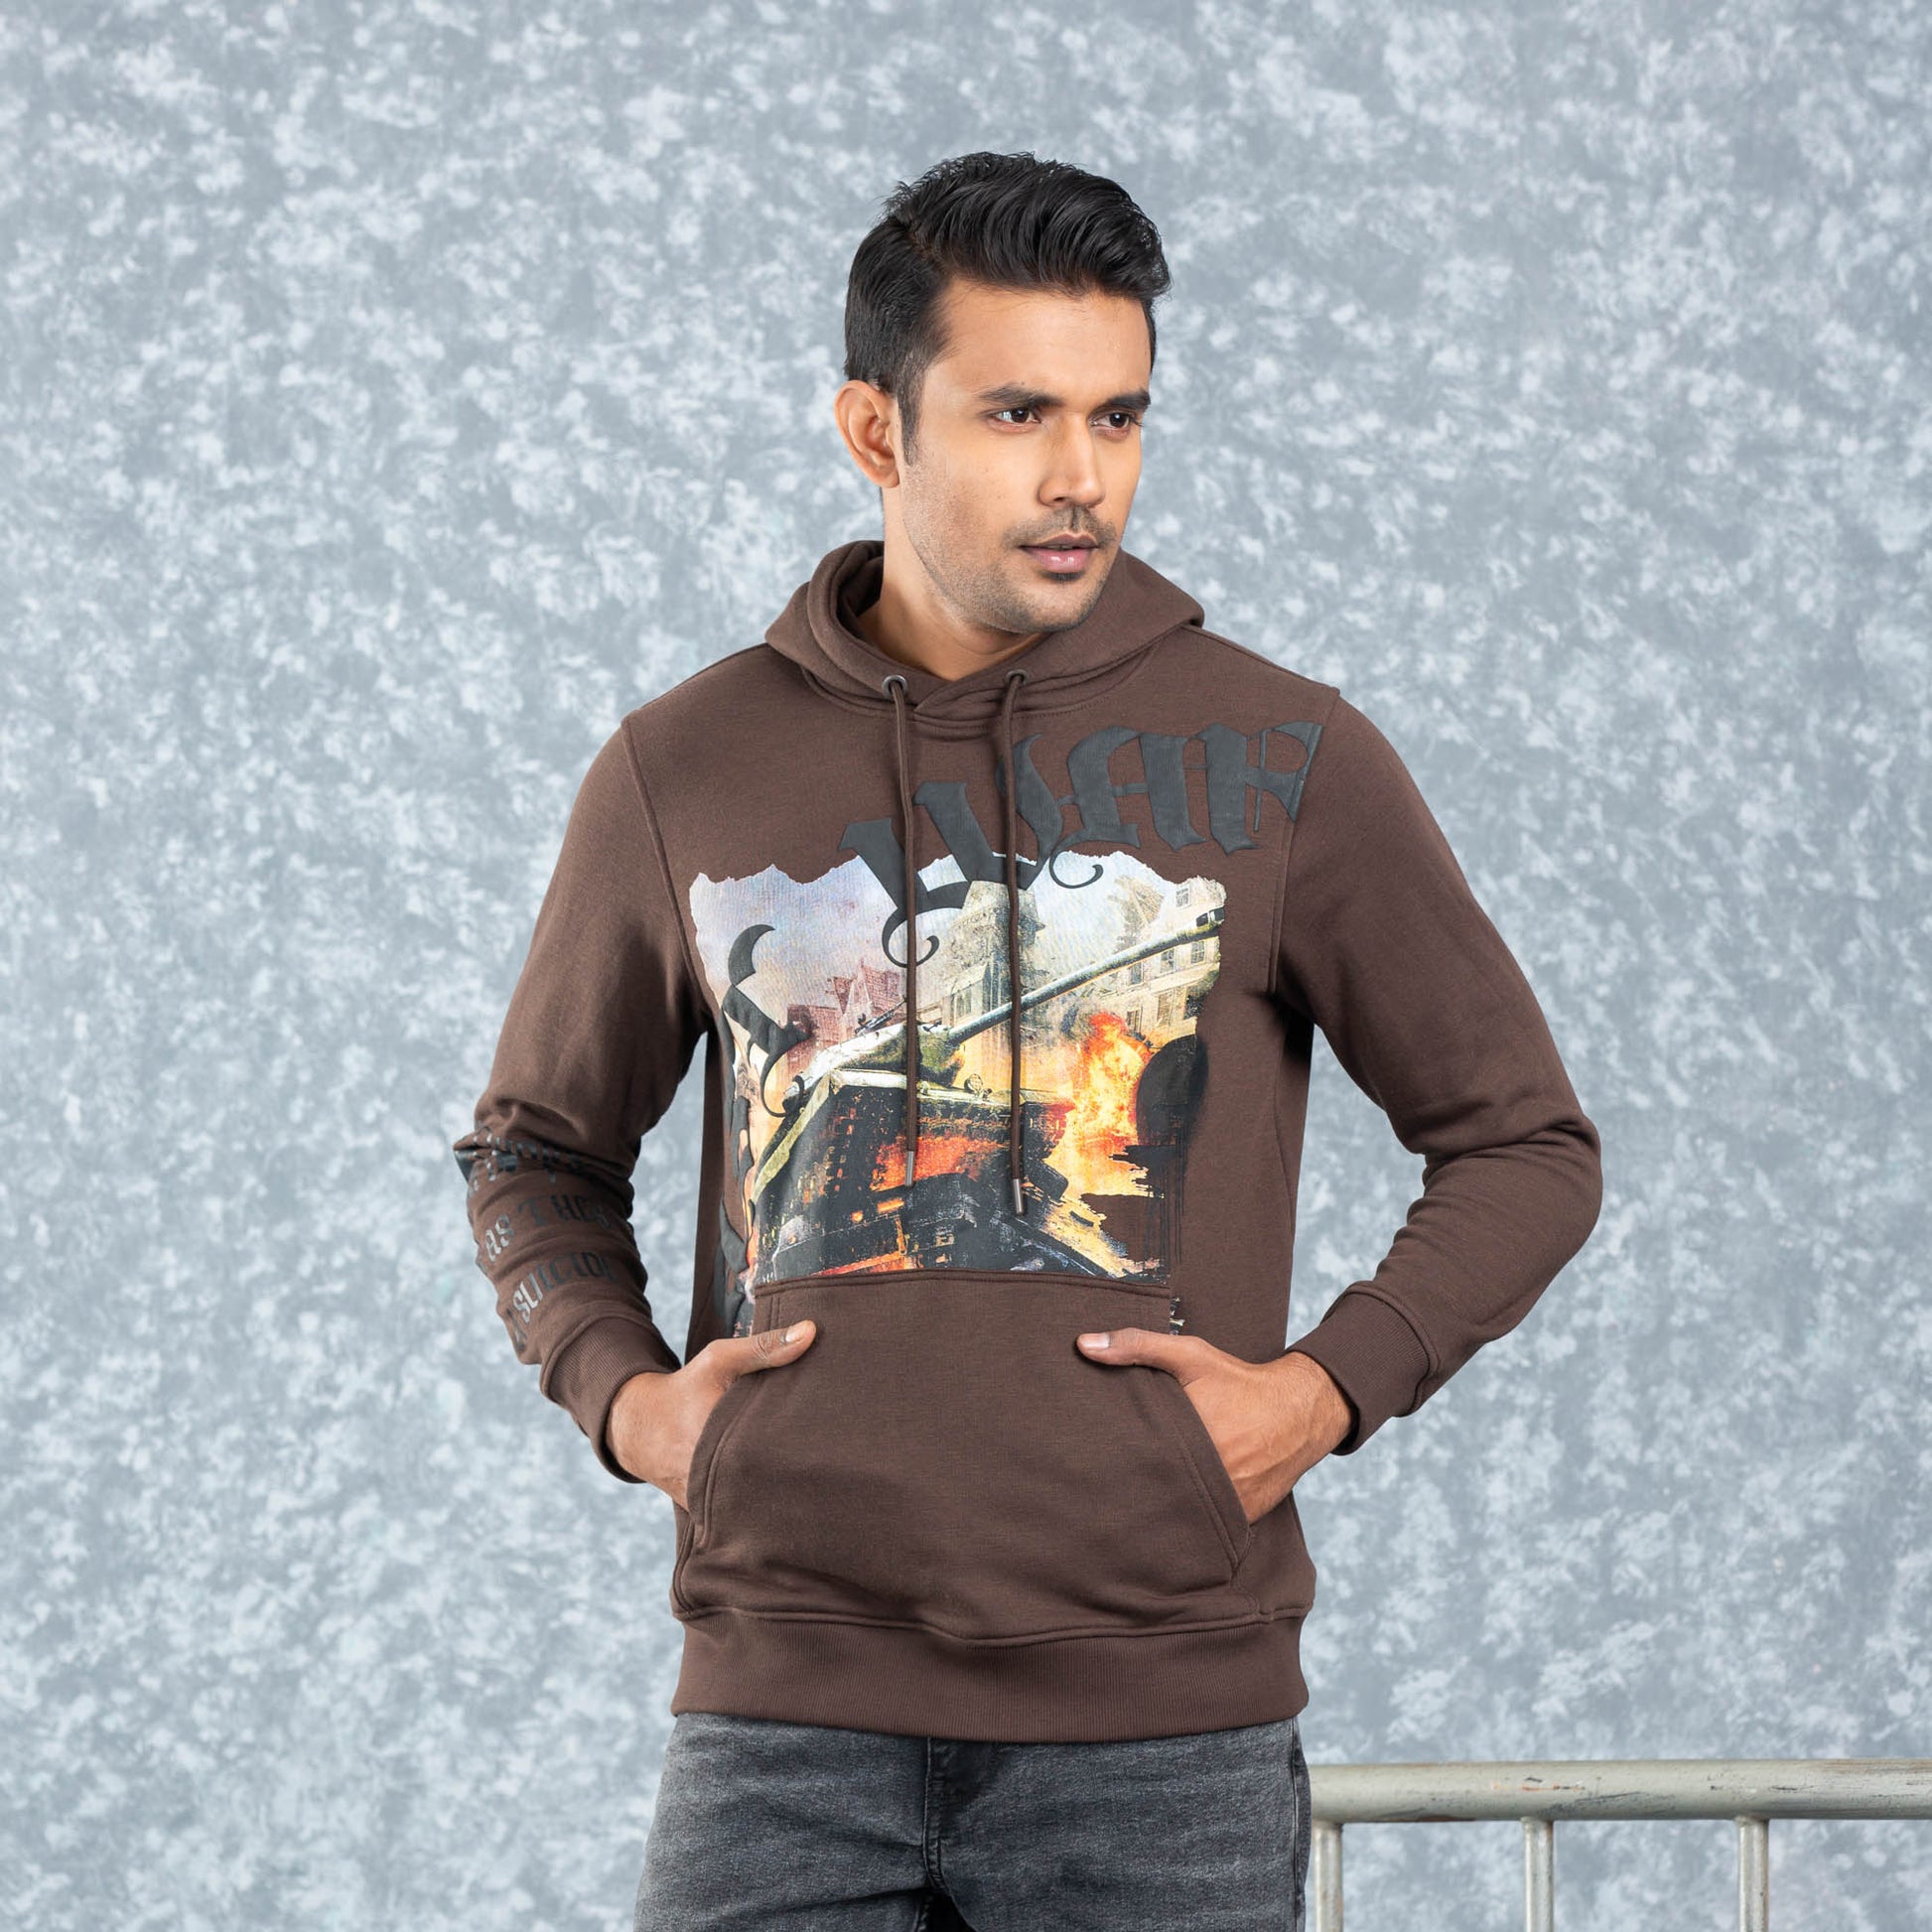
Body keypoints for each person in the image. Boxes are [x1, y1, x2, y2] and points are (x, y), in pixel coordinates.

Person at [453, 149, 1602, 1932]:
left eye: (1116, 415)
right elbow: (533, 1151)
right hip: (782, 1721)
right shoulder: (683, 766)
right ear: (874, 428)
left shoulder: (1288, 757)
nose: (1083, 478)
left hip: (1161, 1739)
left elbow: (1525, 1145)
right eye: (1017, 414)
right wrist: (632, 1405)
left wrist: (1318, 1393)